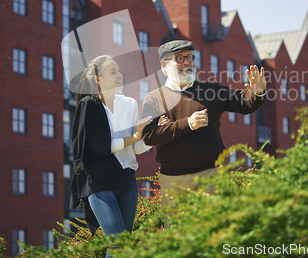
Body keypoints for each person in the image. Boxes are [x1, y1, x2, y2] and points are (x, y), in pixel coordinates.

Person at [141, 40, 267, 221]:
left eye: (190, 57)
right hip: (173, 180)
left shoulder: (211, 91)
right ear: (164, 66)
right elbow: (149, 136)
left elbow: (244, 104)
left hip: (210, 176)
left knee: (211, 234)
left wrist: (258, 92)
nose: (187, 62)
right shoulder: (154, 99)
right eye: (180, 58)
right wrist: (188, 124)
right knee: (178, 237)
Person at [70, 55, 167, 256]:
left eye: (119, 70)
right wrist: (135, 136)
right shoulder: (88, 105)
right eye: (113, 72)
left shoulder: (129, 104)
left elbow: (137, 147)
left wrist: (156, 133)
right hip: (99, 181)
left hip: (127, 180)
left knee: (124, 247)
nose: (120, 75)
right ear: (98, 79)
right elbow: (99, 147)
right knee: (117, 245)